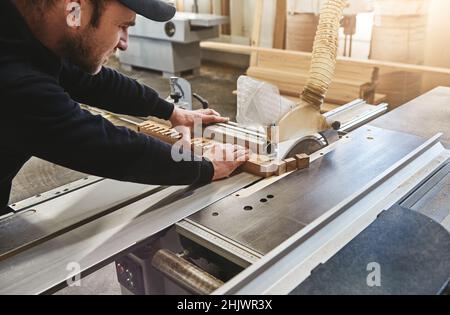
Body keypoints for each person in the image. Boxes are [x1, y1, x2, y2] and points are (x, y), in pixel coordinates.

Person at [0, 0, 249, 213]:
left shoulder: (25, 36)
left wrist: (171, 111)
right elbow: (99, 144)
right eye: (122, 26)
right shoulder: (12, 75)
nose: (124, 43)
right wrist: (204, 167)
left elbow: (90, 81)